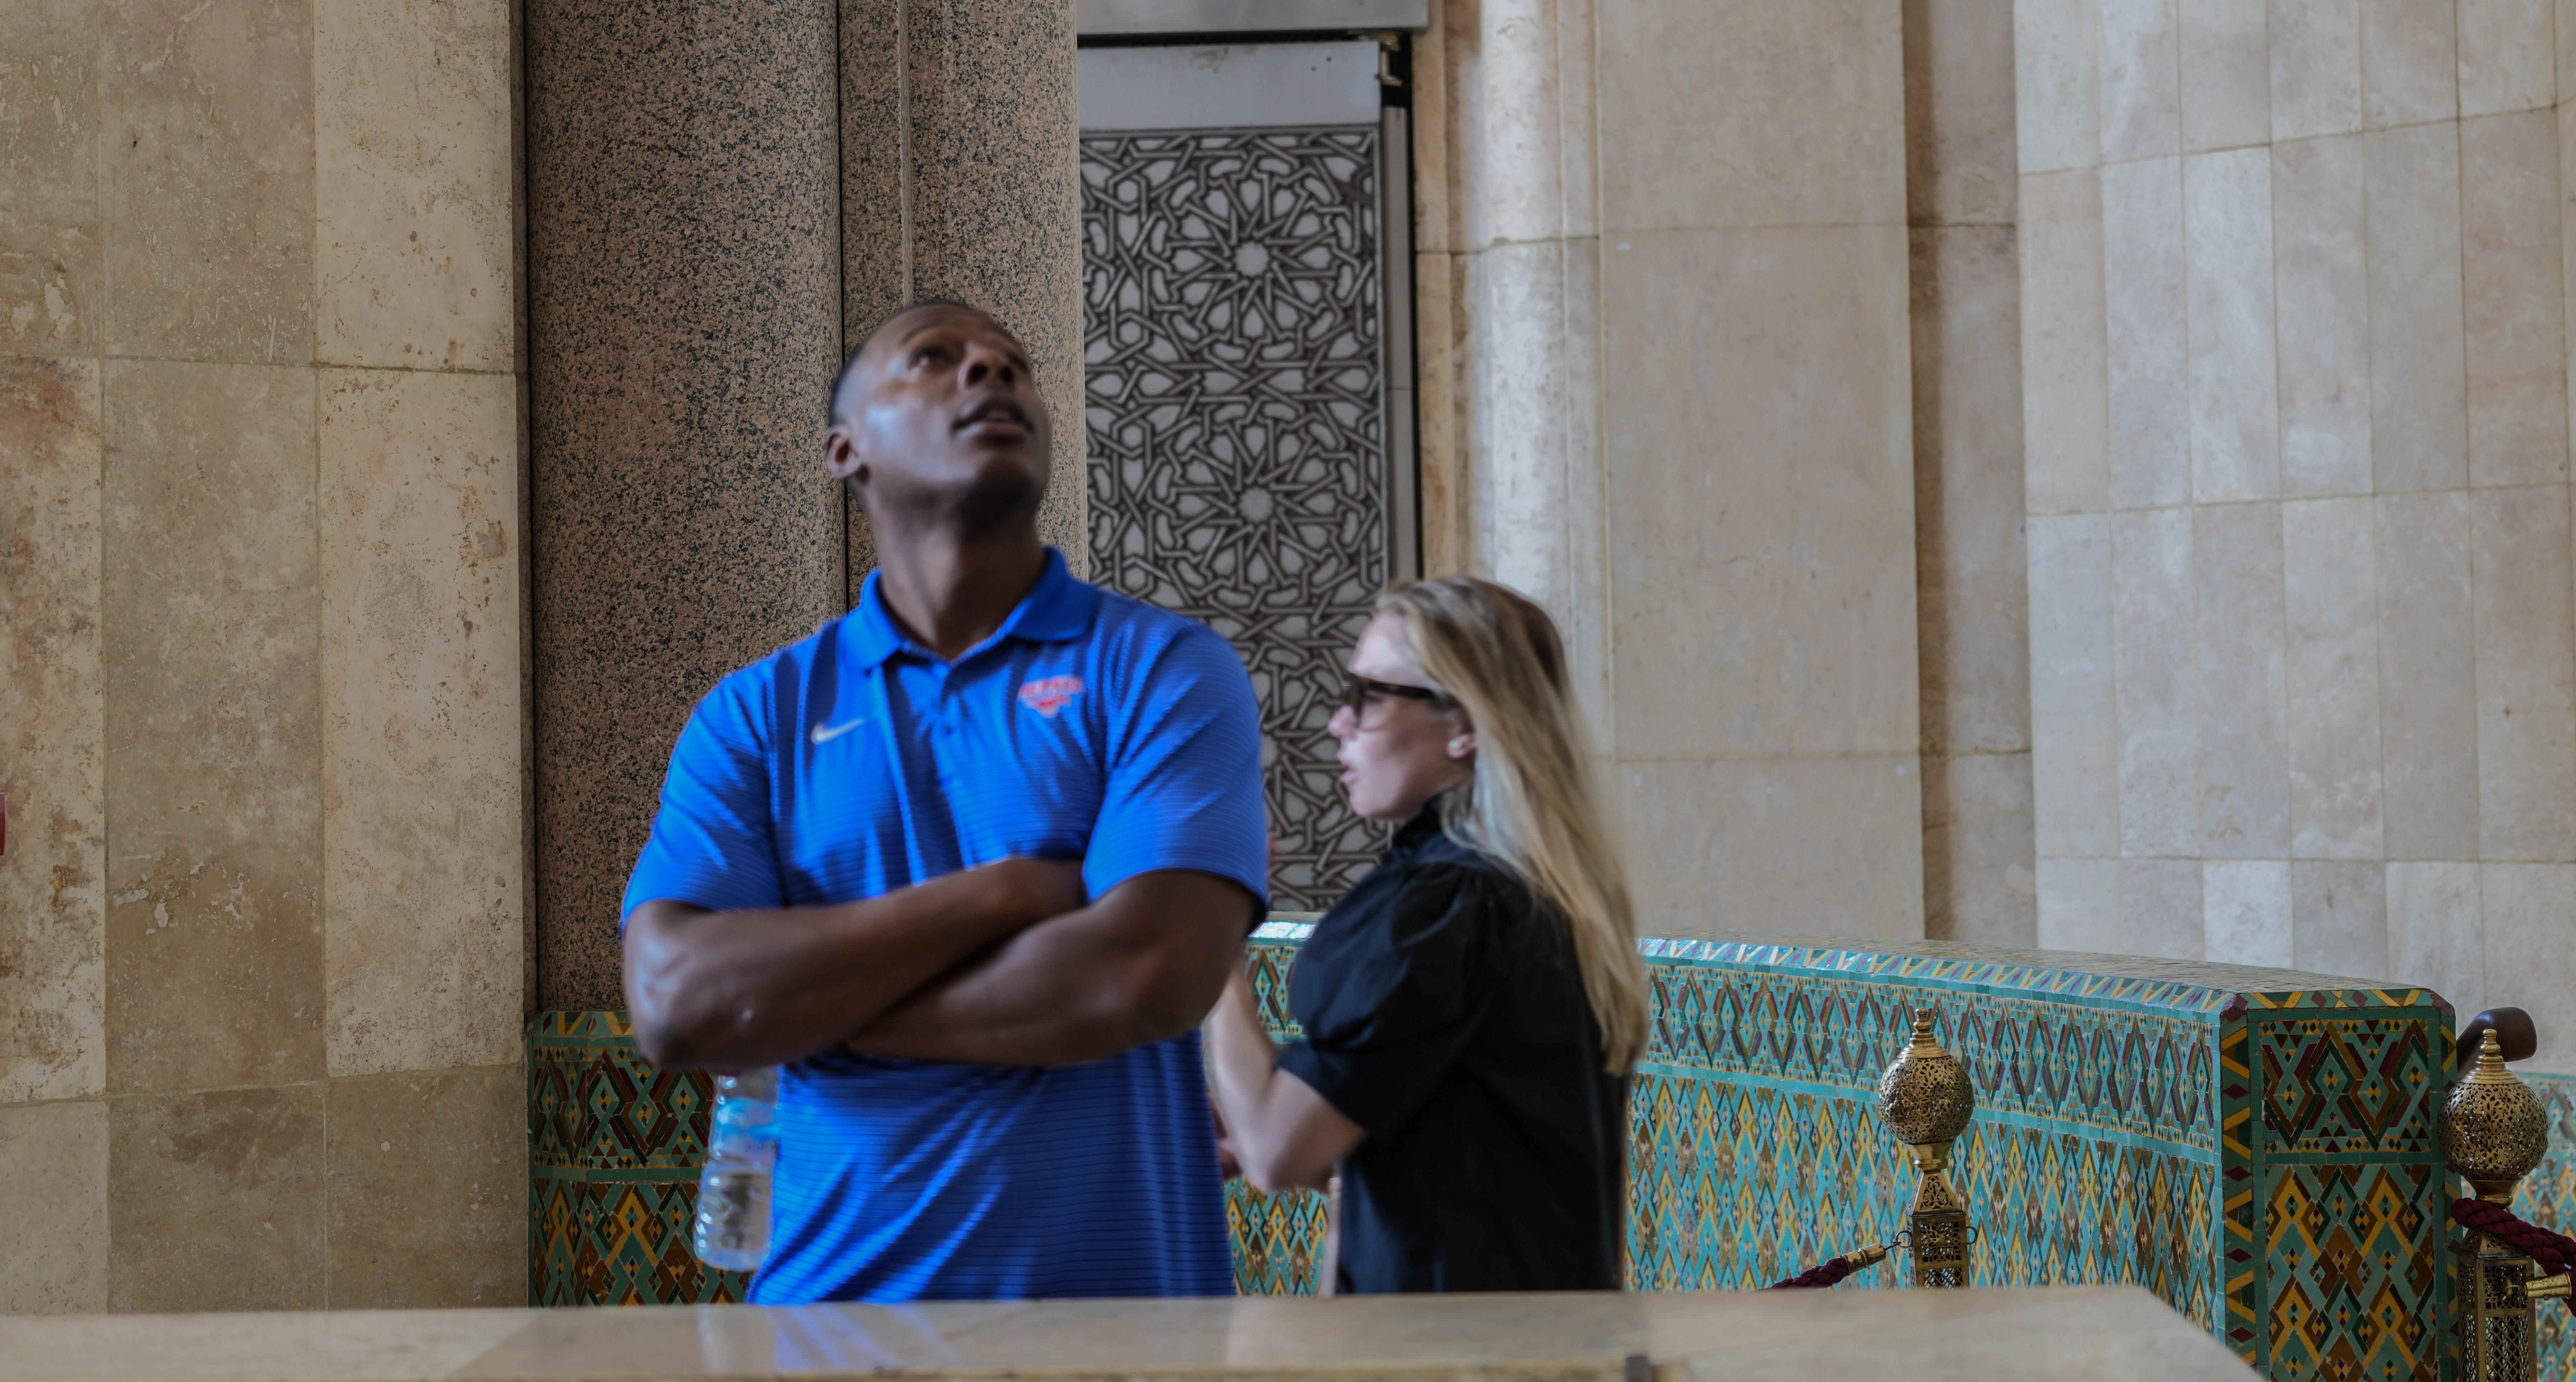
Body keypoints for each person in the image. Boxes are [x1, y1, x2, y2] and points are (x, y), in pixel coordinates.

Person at [620, 299, 1269, 1302]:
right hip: (827, 1328)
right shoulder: (757, 716)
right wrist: (1010, 894)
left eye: (1015, 363)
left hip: (1121, 1331)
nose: (990, 372)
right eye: (933, 357)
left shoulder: (1163, 668)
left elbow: (1143, 976)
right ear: (845, 450)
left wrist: (806, 1019)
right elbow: (676, 1005)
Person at [1203, 576, 1646, 1294]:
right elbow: (1460, 1152)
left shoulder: (1443, 905)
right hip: (1547, 1331)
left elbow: (1273, 1156)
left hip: (1452, 1341)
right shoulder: (1545, 893)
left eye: (1370, 696)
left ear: (1465, 723)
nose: (1338, 723)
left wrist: (1216, 937)